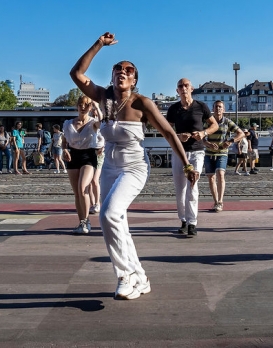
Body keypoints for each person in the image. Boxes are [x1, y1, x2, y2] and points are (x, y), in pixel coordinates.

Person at [70, 32, 199, 300]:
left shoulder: (142, 103)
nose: (123, 71)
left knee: (108, 213)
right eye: (118, 68)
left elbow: (169, 134)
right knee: (115, 222)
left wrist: (187, 166)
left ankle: (125, 275)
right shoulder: (103, 97)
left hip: (134, 166)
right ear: (112, 75)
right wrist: (99, 44)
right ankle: (140, 277)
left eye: (129, 70)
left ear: (134, 80)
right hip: (110, 166)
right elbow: (77, 74)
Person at [167, 78, 219, 237]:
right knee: (180, 189)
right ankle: (183, 220)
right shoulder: (173, 109)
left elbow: (214, 125)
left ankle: (192, 222)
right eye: (180, 86)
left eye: (186, 85)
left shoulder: (200, 107)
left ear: (191, 88)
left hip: (197, 151)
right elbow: (166, 130)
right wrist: (178, 136)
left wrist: (203, 133)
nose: (183, 88)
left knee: (192, 186)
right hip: (179, 152)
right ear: (177, 91)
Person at [62, 95, 100, 234]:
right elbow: (64, 141)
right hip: (73, 156)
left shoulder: (93, 122)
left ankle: (87, 221)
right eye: (80, 105)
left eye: (86, 105)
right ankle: (82, 221)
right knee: (77, 193)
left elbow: (103, 123)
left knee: (83, 187)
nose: (83, 107)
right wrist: (64, 149)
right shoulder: (68, 123)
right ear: (77, 106)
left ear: (90, 107)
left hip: (88, 156)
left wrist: (97, 107)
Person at [203, 100, 244, 212]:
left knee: (220, 174)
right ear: (213, 109)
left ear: (224, 109)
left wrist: (230, 141)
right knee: (211, 177)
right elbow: (201, 137)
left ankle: (220, 201)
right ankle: (215, 201)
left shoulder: (227, 122)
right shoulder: (208, 122)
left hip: (222, 152)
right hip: (209, 153)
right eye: (216, 107)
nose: (218, 109)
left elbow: (241, 133)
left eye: (220, 107)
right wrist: (208, 144)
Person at [89, 102, 104, 214]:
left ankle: (97, 203)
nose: (94, 110)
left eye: (95, 109)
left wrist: (98, 108)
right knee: (89, 181)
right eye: (92, 108)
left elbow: (102, 122)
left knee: (95, 180)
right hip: (89, 151)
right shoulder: (89, 121)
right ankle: (92, 203)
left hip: (99, 152)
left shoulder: (102, 124)